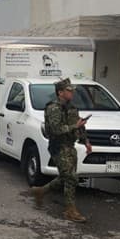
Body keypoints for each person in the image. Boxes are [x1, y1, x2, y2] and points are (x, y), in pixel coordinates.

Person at [31, 78, 92, 223]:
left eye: (72, 90)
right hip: (58, 146)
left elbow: (79, 126)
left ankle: (41, 191)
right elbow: (56, 129)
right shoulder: (53, 108)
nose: (72, 93)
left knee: (67, 177)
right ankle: (70, 210)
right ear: (60, 93)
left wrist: (86, 141)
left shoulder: (72, 107)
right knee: (71, 177)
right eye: (68, 90)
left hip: (70, 146)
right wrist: (74, 127)